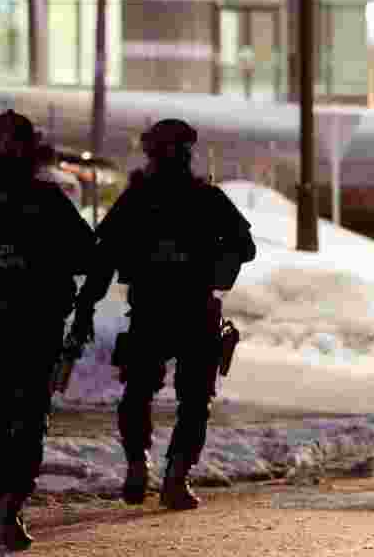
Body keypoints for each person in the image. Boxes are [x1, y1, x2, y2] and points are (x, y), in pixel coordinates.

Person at [74, 118, 256, 510]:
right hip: (193, 310)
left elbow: (104, 257)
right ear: (188, 154)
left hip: (152, 310)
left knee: (139, 392)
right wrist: (216, 271)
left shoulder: (138, 199)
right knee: (193, 400)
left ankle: (138, 466)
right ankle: (174, 476)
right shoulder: (205, 197)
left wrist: (86, 307)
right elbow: (245, 246)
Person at [0, 110, 98, 550]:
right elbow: (86, 255)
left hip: (1, 320)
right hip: (28, 321)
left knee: (4, 413)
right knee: (24, 414)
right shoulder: (43, 198)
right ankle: (9, 503)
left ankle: (6, 500)